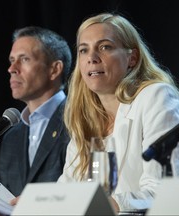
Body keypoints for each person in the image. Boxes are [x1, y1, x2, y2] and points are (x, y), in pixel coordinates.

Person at [57, 12, 179, 212]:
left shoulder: (156, 96)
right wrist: (30, 206)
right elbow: (68, 190)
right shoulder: (85, 119)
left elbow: (164, 190)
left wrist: (108, 205)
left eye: (105, 47)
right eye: (83, 50)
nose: (92, 58)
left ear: (132, 58)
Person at [0, 26, 72, 212]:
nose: (12, 69)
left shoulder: (77, 122)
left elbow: (80, 193)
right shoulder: (12, 136)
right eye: (11, 61)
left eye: (24, 59)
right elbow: (13, 204)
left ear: (54, 69)